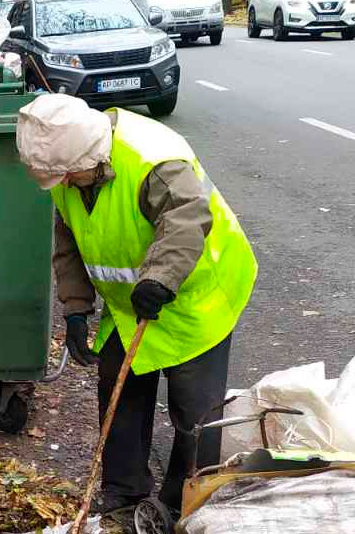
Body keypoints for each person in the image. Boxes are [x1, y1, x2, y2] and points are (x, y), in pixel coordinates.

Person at [15, 94, 257, 522]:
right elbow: (70, 240)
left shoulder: (154, 161)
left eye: (68, 175)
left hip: (198, 295)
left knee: (195, 411)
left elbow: (186, 220)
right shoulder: (69, 170)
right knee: (119, 387)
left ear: (90, 158)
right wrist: (76, 309)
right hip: (131, 301)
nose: (63, 183)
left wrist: (160, 279)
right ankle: (123, 494)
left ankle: (184, 503)